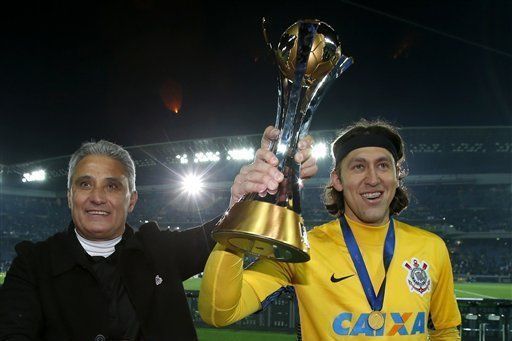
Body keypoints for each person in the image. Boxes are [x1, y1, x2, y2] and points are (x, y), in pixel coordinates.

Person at [0, 127, 316, 340]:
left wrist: (249, 194)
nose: (97, 197)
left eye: (112, 186)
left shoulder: (158, 249)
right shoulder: (32, 265)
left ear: (132, 199)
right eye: (85, 184)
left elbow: (216, 233)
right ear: (69, 196)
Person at [199, 119, 462, 340]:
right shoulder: (304, 249)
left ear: (396, 175)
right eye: (358, 166)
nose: (373, 178)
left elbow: (446, 330)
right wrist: (241, 208)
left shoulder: (431, 247)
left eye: (383, 165)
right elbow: (220, 312)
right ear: (337, 179)